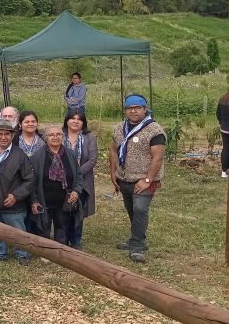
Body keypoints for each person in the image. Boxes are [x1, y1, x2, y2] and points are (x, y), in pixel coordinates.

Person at [109, 94, 166, 263]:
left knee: (140, 209)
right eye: (129, 108)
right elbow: (113, 150)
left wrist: (148, 179)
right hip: (124, 178)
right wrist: (113, 172)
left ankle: (137, 245)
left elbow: (157, 158)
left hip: (144, 179)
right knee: (131, 209)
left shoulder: (155, 131)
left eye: (137, 108)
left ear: (144, 109)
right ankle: (136, 237)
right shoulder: (119, 128)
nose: (133, 111)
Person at [0, 118, 34, 265]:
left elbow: (29, 180)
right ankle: (0, 254)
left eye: (7, 134)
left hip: (13, 205)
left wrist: (16, 195)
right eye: (0, 134)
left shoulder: (19, 155)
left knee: (18, 232)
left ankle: (22, 255)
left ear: (12, 136)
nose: (3, 137)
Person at [29, 125, 83, 246]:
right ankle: (46, 251)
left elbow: (79, 175)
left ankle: (60, 251)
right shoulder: (37, 157)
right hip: (45, 199)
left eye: (58, 134)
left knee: (62, 226)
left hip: (64, 199)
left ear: (62, 137)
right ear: (45, 138)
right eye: (51, 135)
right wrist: (34, 200)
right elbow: (31, 182)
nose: (55, 137)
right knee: (44, 226)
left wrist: (76, 191)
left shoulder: (70, 154)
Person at [62, 110, 97, 249]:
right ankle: (62, 238)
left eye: (79, 119)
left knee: (78, 210)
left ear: (83, 123)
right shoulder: (59, 135)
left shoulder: (89, 138)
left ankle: (75, 240)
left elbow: (92, 160)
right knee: (62, 210)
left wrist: (75, 173)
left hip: (82, 180)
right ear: (67, 120)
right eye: (72, 118)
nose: (75, 121)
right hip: (61, 180)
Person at [217, 91, 229, 178]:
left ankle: (224, 172)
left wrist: (222, 123)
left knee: (225, 149)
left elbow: (218, 114)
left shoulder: (222, 99)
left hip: (225, 129)